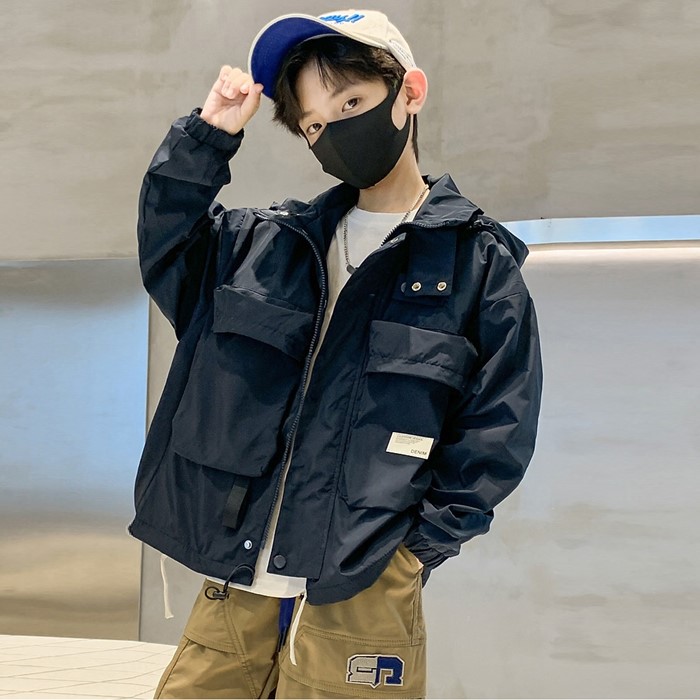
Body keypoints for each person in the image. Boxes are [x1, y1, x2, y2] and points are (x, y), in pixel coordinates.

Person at [129, 9, 543, 699]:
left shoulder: (477, 268)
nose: (334, 131)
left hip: (362, 582)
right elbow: (167, 249)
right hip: (237, 576)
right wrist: (207, 139)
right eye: (315, 124)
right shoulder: (264, 247)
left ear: (409, 92)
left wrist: (411, 554)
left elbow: (497, 430)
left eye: (350, 104)